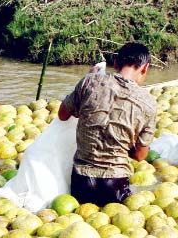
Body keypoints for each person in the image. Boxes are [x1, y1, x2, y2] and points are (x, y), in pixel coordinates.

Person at [58, 42, 157, 207]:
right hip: (115, 184)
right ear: (145, 68)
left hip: (81, 181)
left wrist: (89, 79)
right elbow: (140, 156)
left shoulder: (90, 81)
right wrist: (121, 141)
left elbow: (62, 115)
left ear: (116, 63)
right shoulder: (148, 103)